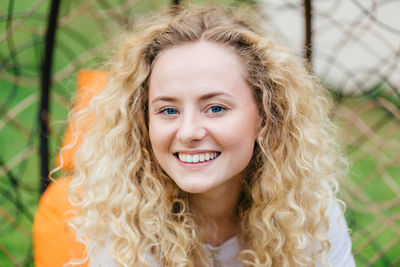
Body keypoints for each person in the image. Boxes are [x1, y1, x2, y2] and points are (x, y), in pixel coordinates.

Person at [67, 4, 355, 267]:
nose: (189, 131)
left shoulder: (306, 210)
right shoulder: (125, 222)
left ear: (265, 116)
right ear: (144, 121)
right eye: (168, 110)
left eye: (215, 108)